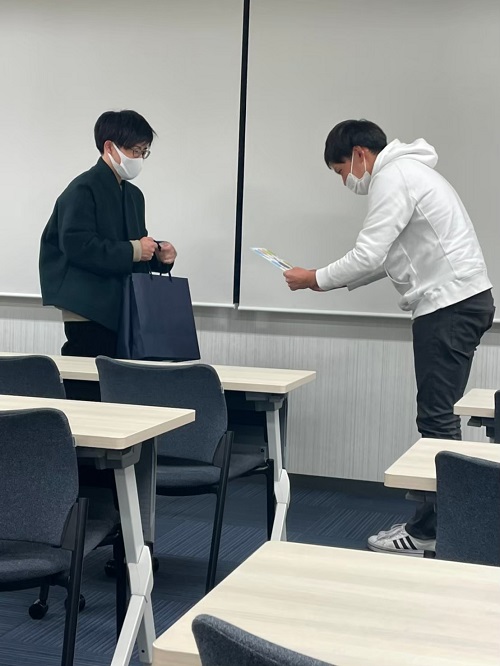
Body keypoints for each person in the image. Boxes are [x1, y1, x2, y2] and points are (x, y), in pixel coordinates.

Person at [284, 119, 495, 555]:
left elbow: (368, 253)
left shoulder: (392, 176)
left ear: (359, 154)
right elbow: (387, 257)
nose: (345, 181)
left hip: (448, 305)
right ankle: (438, 522)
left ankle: (434, 531)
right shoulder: (411, 172)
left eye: (341, 171)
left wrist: (314, 278)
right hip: (459, 301)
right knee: (437, 417)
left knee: (436, 421)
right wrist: (327, 281)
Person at [39, 109, 177, 399]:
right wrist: (135, 249)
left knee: (121, 389)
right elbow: (78, 246)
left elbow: (129, 246)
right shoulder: (82, 189)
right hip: (89, 309)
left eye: (144, 152)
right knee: (89, 390)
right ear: (109, 147)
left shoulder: (133, 195)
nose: (139, 158)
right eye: (135, 150)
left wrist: (158, 256)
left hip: (121, 307)